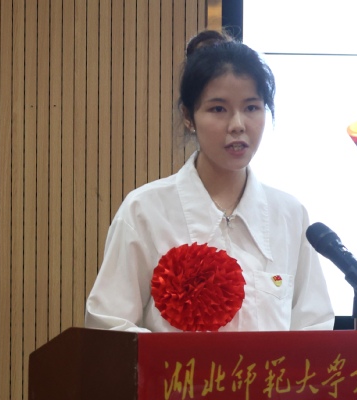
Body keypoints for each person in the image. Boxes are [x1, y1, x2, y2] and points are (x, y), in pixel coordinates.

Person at [84, 30, 334, 332]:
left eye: (251, 107)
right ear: (188, 116)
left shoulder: (290, 214)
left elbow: (314, 326)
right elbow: (109, 325)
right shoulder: (145, 210)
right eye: (218, 109)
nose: (238, 125)